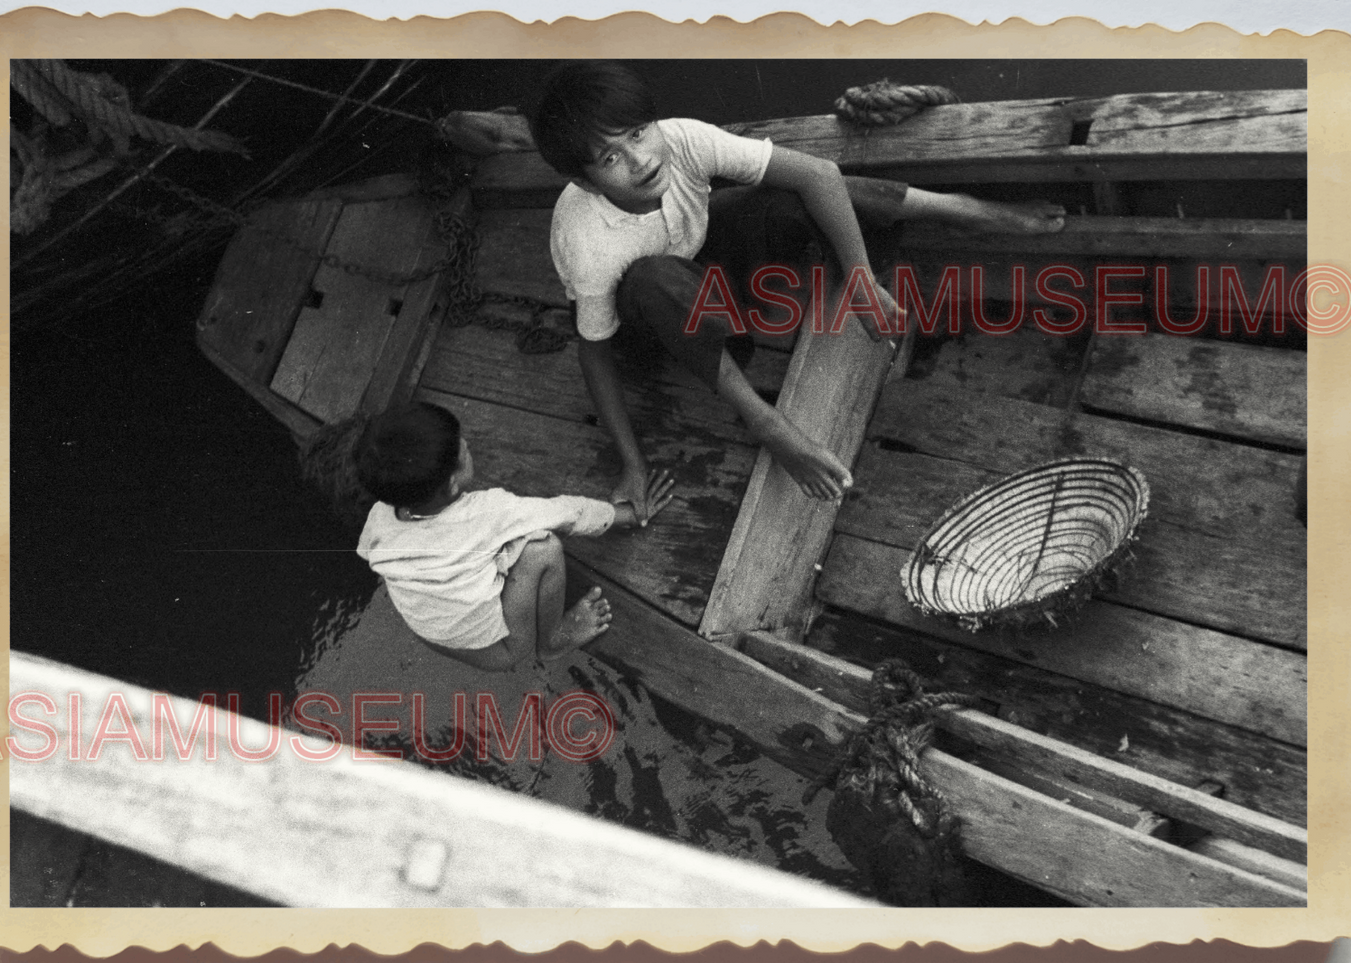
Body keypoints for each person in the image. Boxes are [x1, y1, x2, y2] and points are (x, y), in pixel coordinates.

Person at [526, 61, 1066, 517]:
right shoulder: (588, 241)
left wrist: (861, 282)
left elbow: (819, 175)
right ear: (583, 179)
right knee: (652, 278)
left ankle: (967, 211)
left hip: (703, 262)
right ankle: (768, 423)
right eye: (609, 158)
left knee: (792, 192)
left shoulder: (685, 141)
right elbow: (594, 352)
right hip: (657, 319)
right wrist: (632, 463)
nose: (641, 159)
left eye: (639, 132)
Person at [354, 401, 674, 672]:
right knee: (543, 547)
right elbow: (568, 512)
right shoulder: (488, 512)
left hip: (431, 633)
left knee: (483, 552)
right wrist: (628, 515)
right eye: (462, 448)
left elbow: (368, 553)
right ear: (452, 484)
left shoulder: (381, 514)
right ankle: (552, 641)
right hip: (503, 650)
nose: (465, 442)